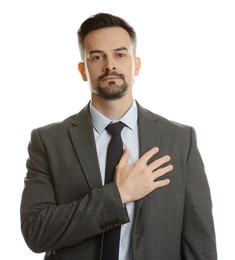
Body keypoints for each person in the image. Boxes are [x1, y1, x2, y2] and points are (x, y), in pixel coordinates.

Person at [20, 13, 217, 259]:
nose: (109, 65)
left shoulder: (180, 140)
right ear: (83, 70)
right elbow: (35, 232)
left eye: (120, 55)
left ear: (136, 65)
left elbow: (200, 245)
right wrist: (119, 194)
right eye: (97, 57)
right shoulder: (48, 142)